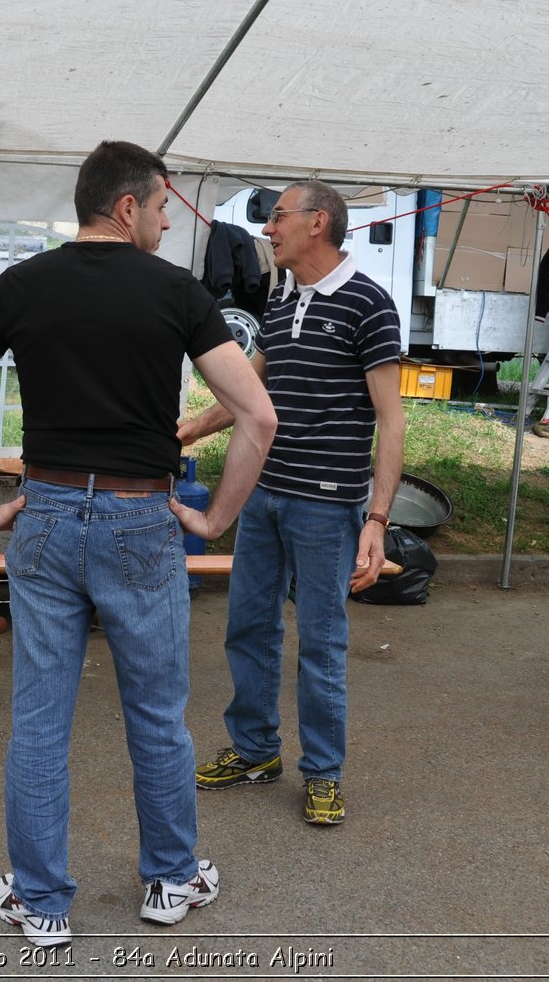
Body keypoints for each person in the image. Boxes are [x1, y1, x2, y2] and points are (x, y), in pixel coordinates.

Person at [0, 141, 276, 947]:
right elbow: (258, 414)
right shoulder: (177, 293)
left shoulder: (20, 285)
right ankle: (170, 878)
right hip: (139, 519)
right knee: (156, 712)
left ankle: (42, 902)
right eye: (158, 210)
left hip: (43, 515)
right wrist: (216, 517)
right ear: (126, 206)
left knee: (40, 718)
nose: (161, 224)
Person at [181, 181, 405, 828]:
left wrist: (378, 520)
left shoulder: (370, 305)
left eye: (277, 216)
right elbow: (248, 394)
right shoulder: (280, 299)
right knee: (248, 625)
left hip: (328, 506)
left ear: (319, 222)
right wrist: (188, 430)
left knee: (322, 644)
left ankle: (324, 773)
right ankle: (254, 750)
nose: (268, 228)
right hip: (264, 495)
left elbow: (391, 423)